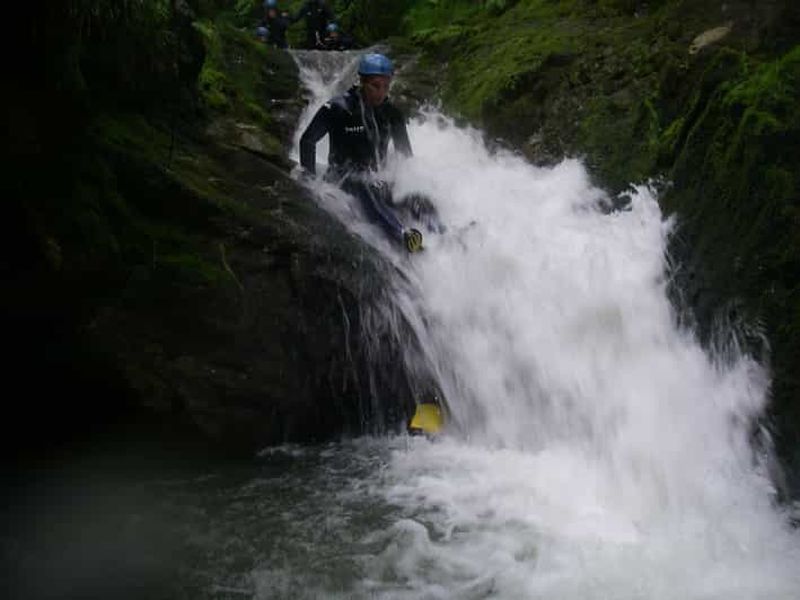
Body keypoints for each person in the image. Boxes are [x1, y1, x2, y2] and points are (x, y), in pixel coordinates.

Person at [299, 53, 424, 252]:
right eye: (375, 86)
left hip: (376, 176)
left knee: (414, 194)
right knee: (365, 186)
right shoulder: (338, 108)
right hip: (343, 177)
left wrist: (406, 183)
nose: (381, 93)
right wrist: (309, 179)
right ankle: (401, 234)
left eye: (386, 86)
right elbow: (308, 141)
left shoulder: (392, 114)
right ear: (362, 82)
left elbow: (405, 155)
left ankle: (443, 231)